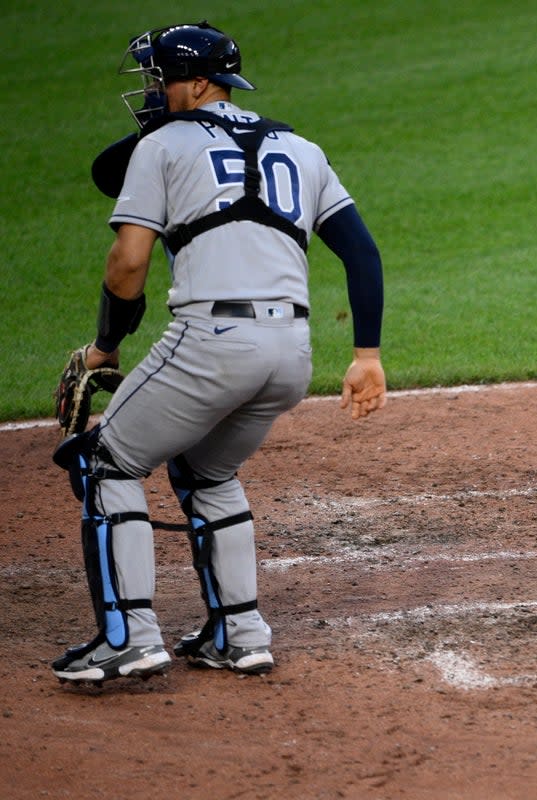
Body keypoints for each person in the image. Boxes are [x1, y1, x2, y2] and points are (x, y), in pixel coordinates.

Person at [50, 21, 387, 684]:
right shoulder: (301, 145)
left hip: (213, 341)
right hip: (291, 355)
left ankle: (129, 639)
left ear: (197, 82)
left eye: (161, 77)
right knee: (206, 471)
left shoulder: (163, 146)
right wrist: (367, 355)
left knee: (103, 462)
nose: (153, 90)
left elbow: (127, 266)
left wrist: (105, 347)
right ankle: (239, 633)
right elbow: (362, 252)